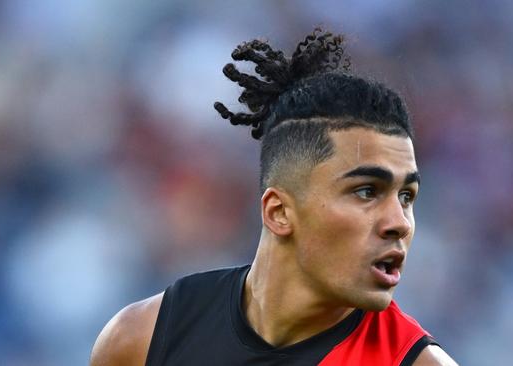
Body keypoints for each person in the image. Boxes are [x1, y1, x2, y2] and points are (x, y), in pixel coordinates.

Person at [90, 28, 457, 366]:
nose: (399, 223)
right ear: (279, 212)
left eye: (407, 196)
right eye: (366, 191)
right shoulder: (142, 340)